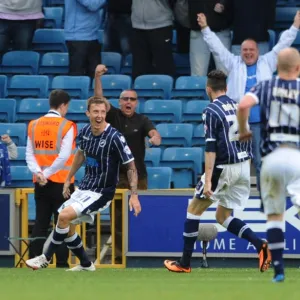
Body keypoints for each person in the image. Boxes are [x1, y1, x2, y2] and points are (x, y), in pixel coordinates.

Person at [164, 70, 271, 273]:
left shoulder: (211, 110)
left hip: (224, 168)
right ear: (226, 88)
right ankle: (260, 245)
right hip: (243, 167)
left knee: (193, 210)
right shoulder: (238, 105)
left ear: (208, 89)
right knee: (222, 216)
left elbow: (211, 148)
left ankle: (185, 263)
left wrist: (208, 181)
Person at [25, 96, 142, 271]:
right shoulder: (86, 132)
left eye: (103, 112)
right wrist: (67, 178)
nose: (99, 115)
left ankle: (45, 258)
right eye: (96, 111)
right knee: (67, 225)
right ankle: (86, 264)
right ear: (88, 113)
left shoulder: (115, 137)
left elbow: (131, 166)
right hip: (85, 187)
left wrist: (134, 195)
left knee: (63, 217)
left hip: (102, 191)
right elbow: (80, 154)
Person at [197, 11, 300, 191]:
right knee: (233, 162)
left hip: (260, 123)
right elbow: (217, 48)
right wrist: (205, 28)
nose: (248, 53)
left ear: (258, 51)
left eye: (251, 50)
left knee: (261, 162)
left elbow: (284, 43)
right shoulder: (233, 63)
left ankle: (263, 196)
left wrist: (295, 26)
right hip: (237, 124)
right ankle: (229, 197)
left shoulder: (268, 62)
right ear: (241, 51)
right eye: (245, 50)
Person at [237, 48, 300, 283]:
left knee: (275, 215)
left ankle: (279, 270)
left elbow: (243, 105)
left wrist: (244, 130)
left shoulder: (265, 85)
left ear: (276, 67)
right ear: (298, 68)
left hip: (271, 158)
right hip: (295, 154)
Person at [94, 64, 161, 263]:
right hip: (116, 176)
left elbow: (154, 133)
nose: (128, 102)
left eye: (132, 99)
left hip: (138, 176)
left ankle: (140, 255)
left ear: (136, 103)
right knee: (116, 219)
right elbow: (98, 100)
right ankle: (118, 257)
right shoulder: (113, 116)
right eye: (125, 99)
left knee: (138, 217)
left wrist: (155, 138)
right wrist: (97, 77)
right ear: (119, 102)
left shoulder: (142, 120)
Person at [26, 89, 77, 268]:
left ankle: (33, 261)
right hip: (63, 183)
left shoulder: (34, 124)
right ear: (63, 105)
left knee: (40, 222)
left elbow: (29, 155)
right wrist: (47, 174)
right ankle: (61, 263)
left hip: (40, 183)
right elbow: (63, 157)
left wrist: (40, 174)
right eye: (67, 107)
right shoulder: (67, 125)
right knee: (61, 223)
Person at [131, 0, 176, 79]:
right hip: (137, 25)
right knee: (139, 68)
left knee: (164, 66)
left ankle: (166, 89)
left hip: (161, 25)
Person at [189, 0, 233, 76]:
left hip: (221, 29)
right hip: (198, 30)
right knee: (198, 75)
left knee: (225, 72)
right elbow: (181, 4)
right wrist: (190, 22)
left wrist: (223, 3)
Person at [64, 0, 106, 78]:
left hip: (93, 35)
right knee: (77, 77)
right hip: (78, 37)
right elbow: (92, 5)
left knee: (97, 77)